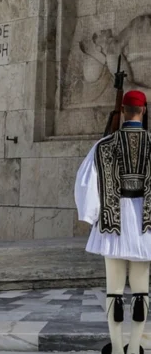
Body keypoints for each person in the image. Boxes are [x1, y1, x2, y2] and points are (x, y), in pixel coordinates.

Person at [75, 90, 151, 354]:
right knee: (141, 292)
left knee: (114, 292)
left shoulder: (103, 145)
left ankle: (117, 349)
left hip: (113, 223)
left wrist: (92, 216)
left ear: (123, 110)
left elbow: (86, 183)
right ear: (144, 111)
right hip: (144, 226)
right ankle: (135, 349)